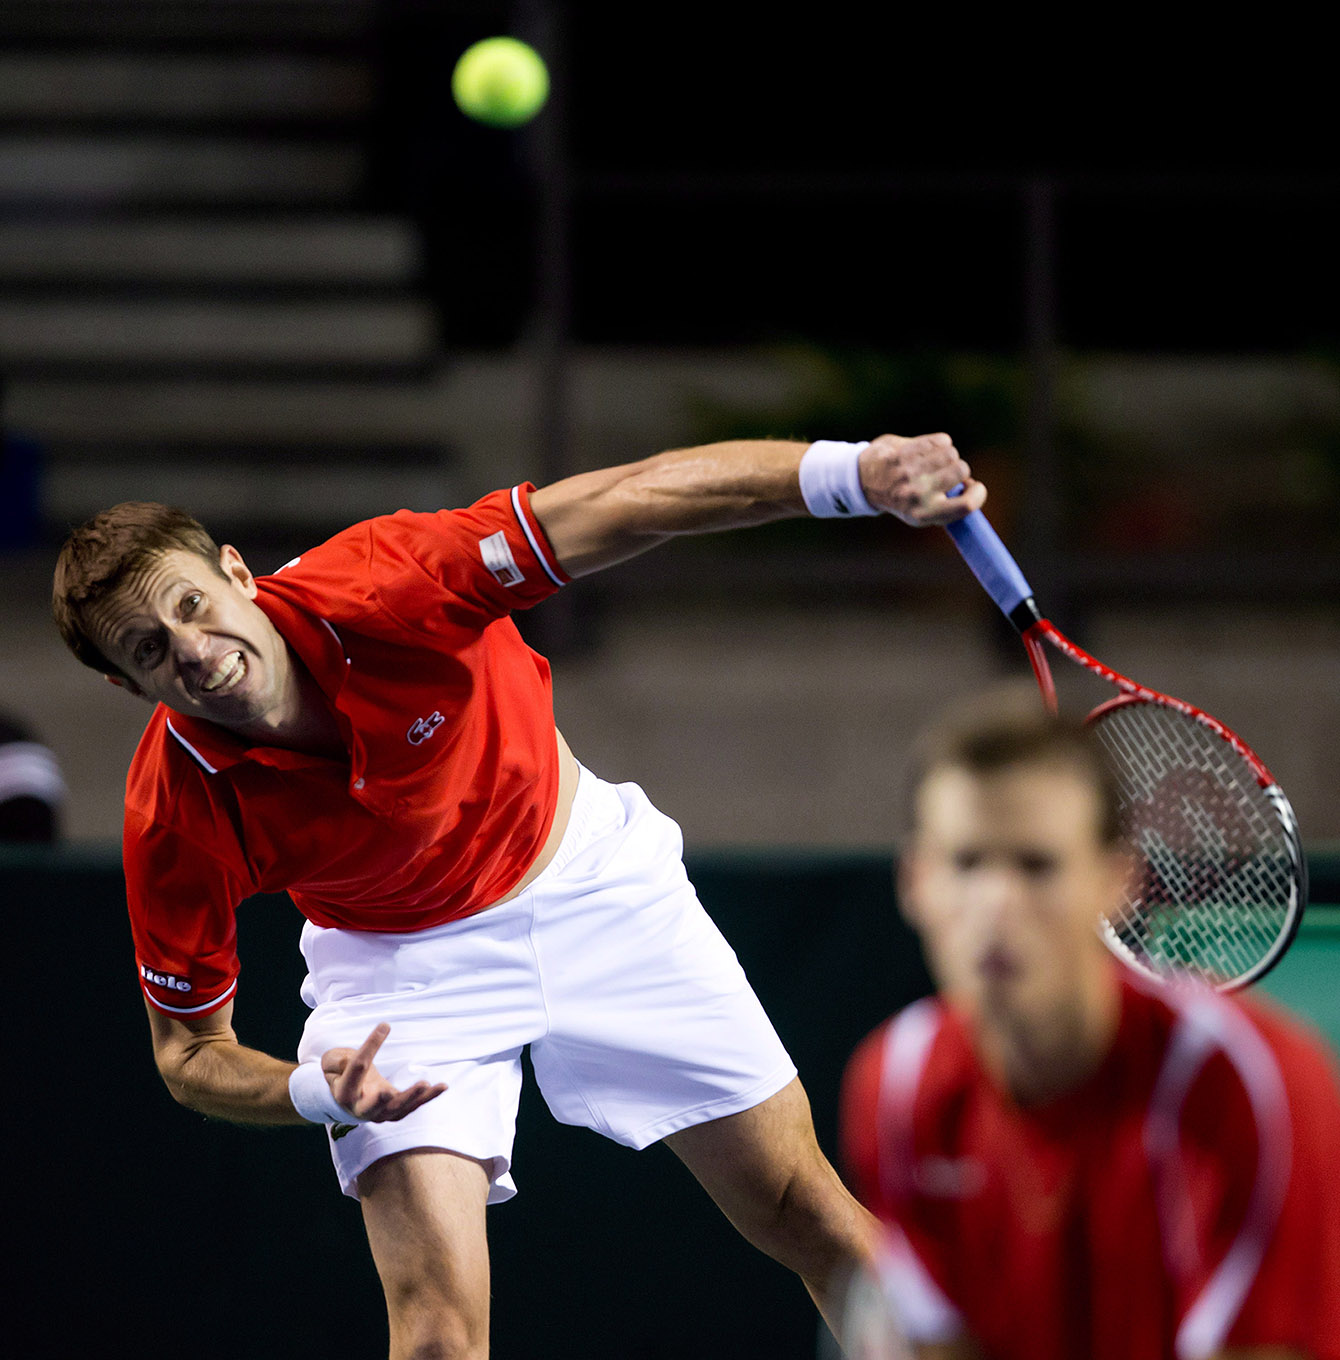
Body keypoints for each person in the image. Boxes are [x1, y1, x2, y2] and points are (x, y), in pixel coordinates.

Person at [53, 432, 984, 1359]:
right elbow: (189, 1053)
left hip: (592, 879)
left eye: (192, 605)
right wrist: (311, 1091)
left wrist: (851, 474)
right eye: (151, 648)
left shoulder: (389, 579)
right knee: (436, 1336)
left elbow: (632, 496)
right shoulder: (172, 811)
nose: (195, 651)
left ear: (237, 573)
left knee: (804, 1210)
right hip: (401, 975)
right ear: (124, 682)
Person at [839, 686, 1340, 1360]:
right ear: (914, 883)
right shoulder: (897, 1084)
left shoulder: (1250, 1083)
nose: (996, 903)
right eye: (966, 863)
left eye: (1036, 865)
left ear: (1116, 882)